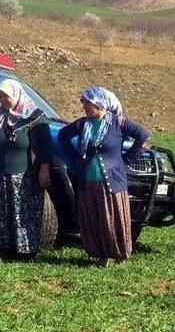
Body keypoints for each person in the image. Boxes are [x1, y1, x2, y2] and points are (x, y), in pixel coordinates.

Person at [58, 86, 148, 267]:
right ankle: (101, 255)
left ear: (99, 104)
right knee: (94, 219)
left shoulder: (118, 123)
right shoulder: (83, 124)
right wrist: (76, 158)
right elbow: (62, 136)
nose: (84, 106)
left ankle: (120, 255)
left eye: (87, 103)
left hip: (111, 182)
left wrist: (127, 160)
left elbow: (142, 135)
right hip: (88, 181)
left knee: (113, 220)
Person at [0, 78, 52, 260]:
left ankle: (25, 250)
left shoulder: (35, 117)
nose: (3, 99)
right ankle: (3, 246)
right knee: (1, 211)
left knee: (22, 213)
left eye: (6, 96)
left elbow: (46, 147)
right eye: (0, 96)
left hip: (23, 175)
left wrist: (44, 168)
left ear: (16, 95)